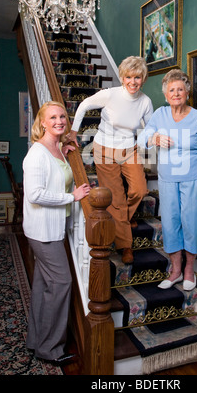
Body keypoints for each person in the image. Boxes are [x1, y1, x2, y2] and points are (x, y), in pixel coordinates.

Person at [66, 56, 153, 264]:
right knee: (116, 197)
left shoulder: (145, 102)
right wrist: (73, 132)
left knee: (140, 189)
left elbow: (149, 128)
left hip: (128, 149)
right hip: (104, 149)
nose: (133, 82)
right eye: (129, 77)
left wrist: (151, 142)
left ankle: (124, 219)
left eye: (138, 77)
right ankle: (126, 246)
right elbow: (84, 105)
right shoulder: (110, 95)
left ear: (143, 79)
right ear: (123, 78)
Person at [23, 101, 91, 364]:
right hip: (43, 232)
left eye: (63, 116)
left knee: (43, 285)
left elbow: (56, 172)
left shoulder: (56, 149)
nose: (59, 121)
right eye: (53, 117)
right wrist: (71, 197)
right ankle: (50, 349)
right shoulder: (37, 153)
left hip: (53, 229)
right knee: (62, 282)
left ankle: (36, 340)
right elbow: (35, 194)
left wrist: (64, 150)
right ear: (42, 122)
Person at [138, 69, 197, 291]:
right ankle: (175, 271)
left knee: (191, 224)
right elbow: (142, 138)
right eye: (171, 90)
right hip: (168, 180)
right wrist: (154, 137)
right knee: (171, 224)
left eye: (180, 89)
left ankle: (189, 270)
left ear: (187, 92)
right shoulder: (160, 115)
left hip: (195, 179)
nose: (176, 93)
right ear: (165, 95)